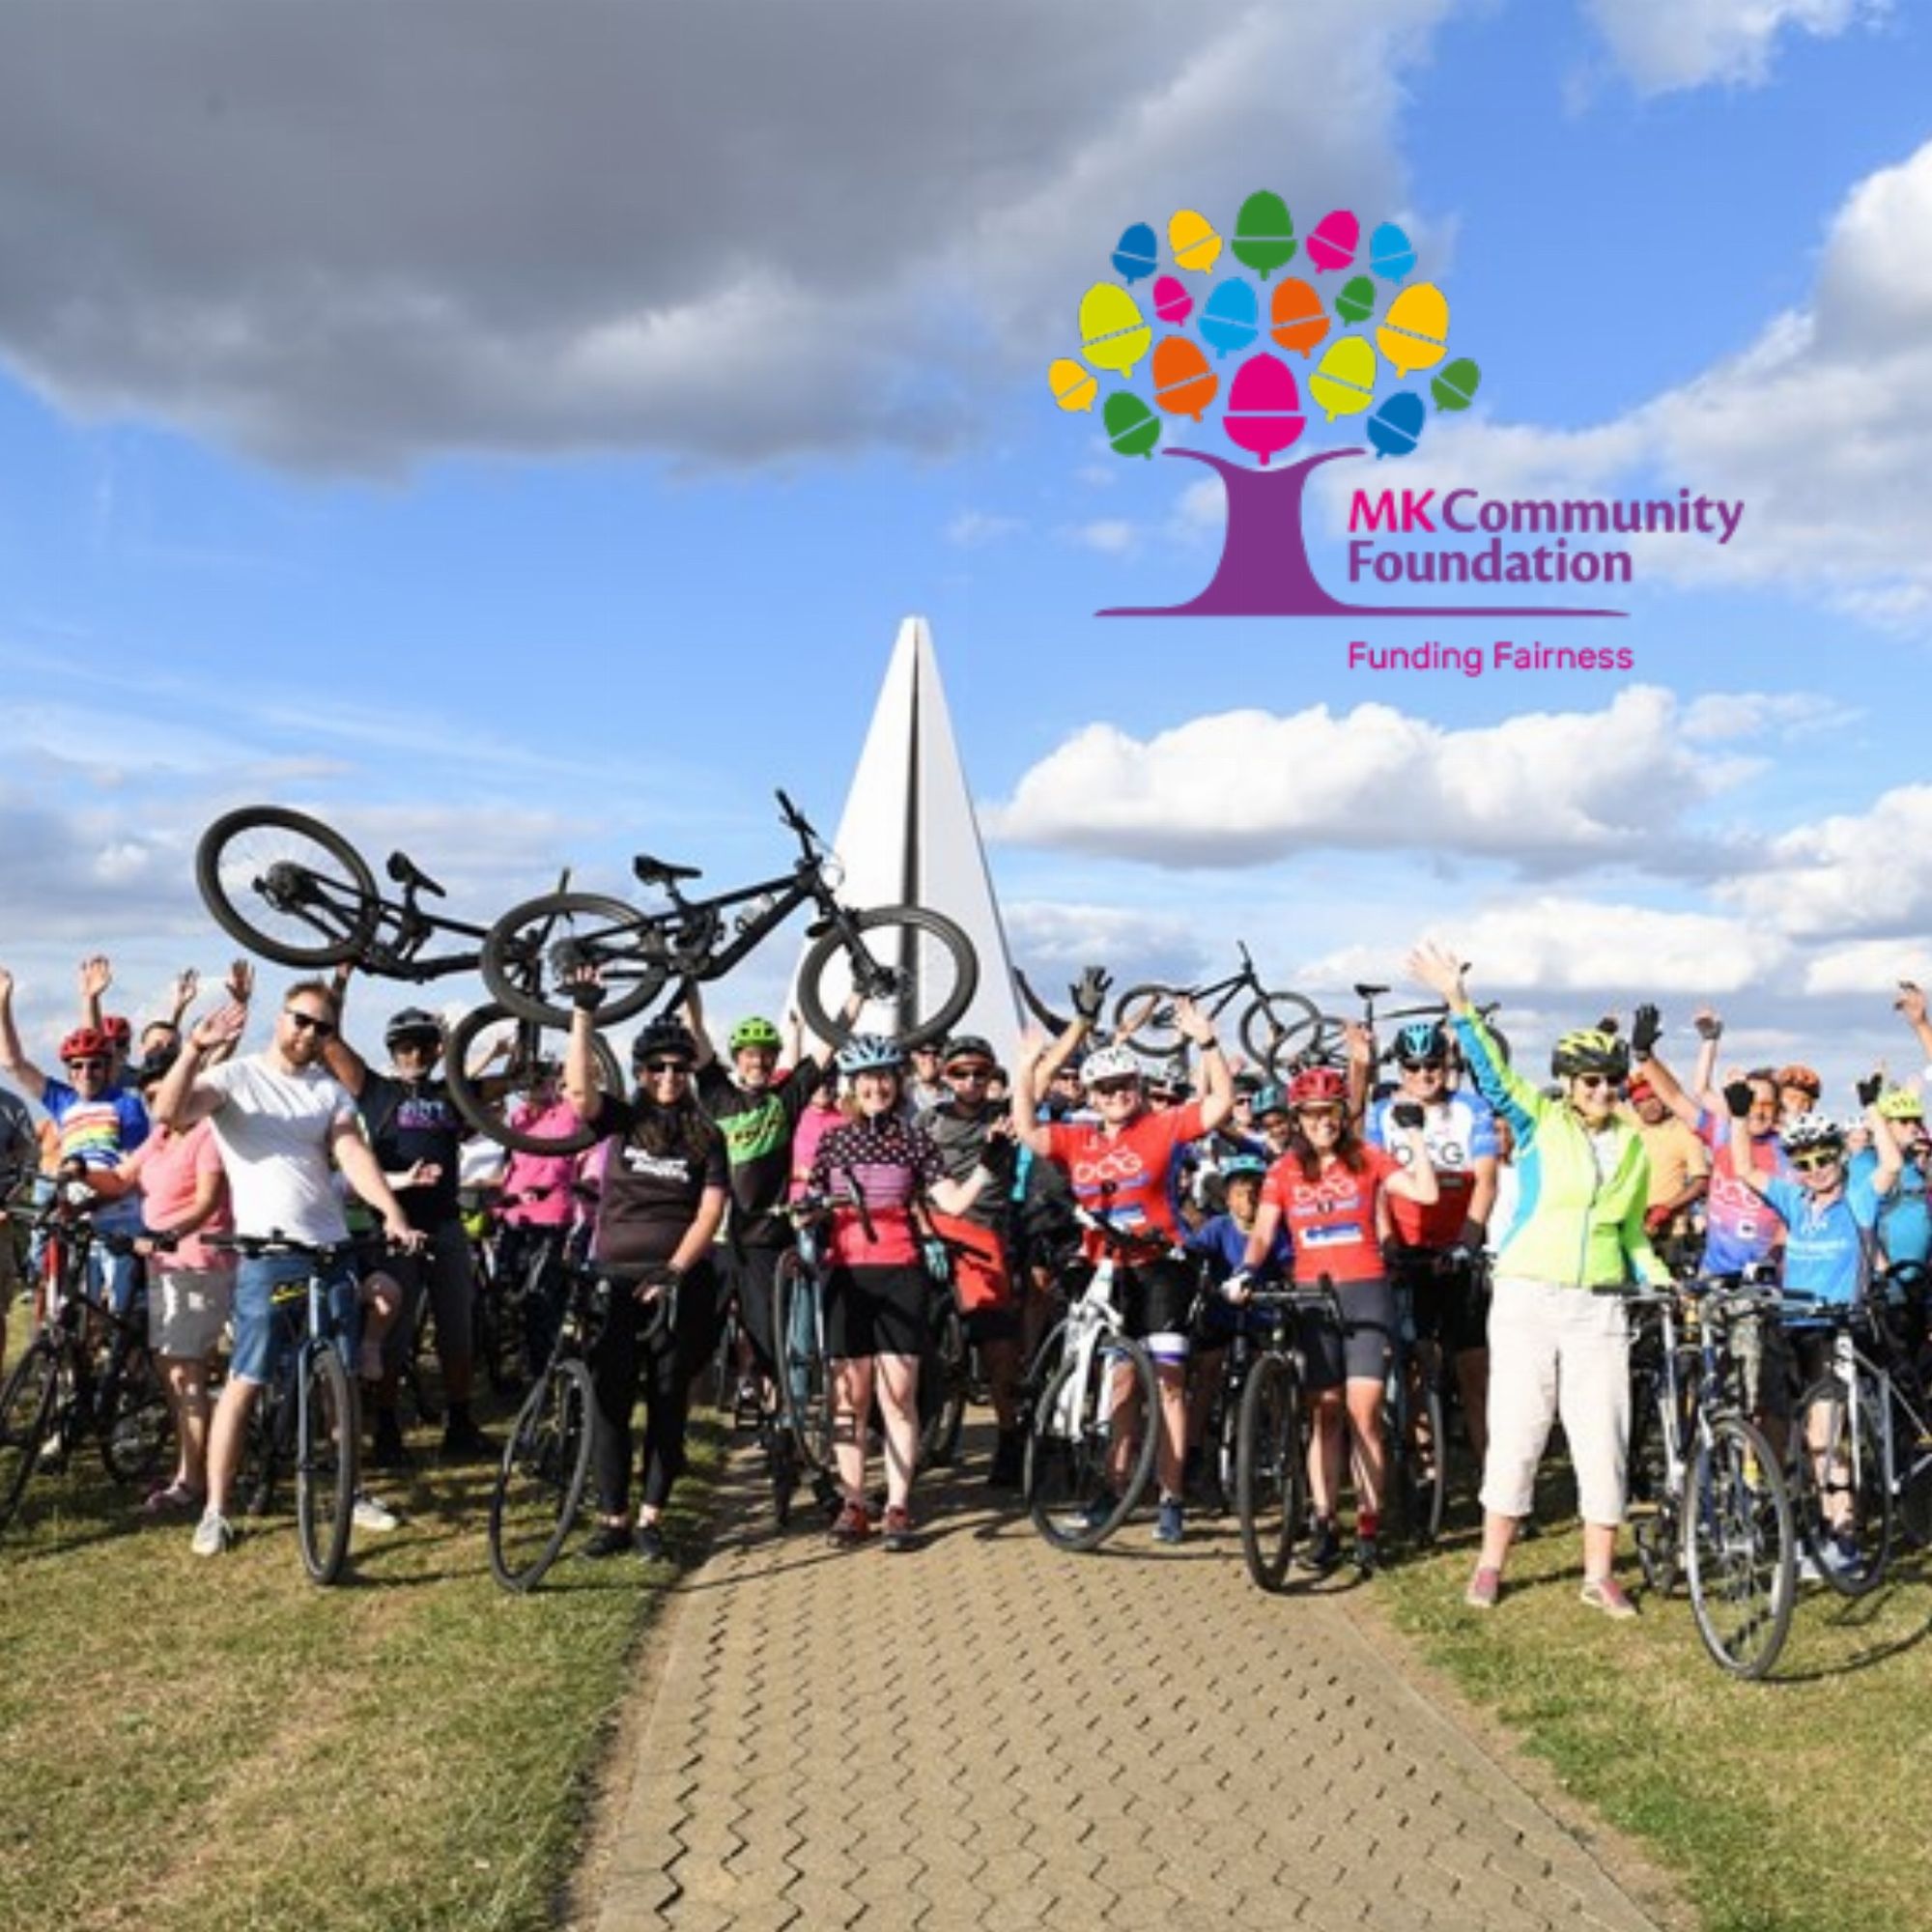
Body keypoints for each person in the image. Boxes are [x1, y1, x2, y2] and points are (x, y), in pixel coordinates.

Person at [1410, 943, 1666, 1620]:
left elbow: (1633, 1230)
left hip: (1599, 1304)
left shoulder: (1634, 1145)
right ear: (1568, 1084)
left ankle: (1599, 1573)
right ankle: (1492, 1562)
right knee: (1519, 1430)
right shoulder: (1539, 1120)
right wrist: (1458, 1004)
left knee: (1600, 1434)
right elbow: (1494, 1078)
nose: (1604, 1093)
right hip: (1528, 1295)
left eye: (1612, 1082)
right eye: (1590, 1083)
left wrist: (1658, 1276)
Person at [147, 980, 424, 1556]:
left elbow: (352, 1154)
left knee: (340, 1379)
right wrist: (194, 1049)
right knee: (246, 1379)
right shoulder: (237, 1078)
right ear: (281, 1018)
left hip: (329, 1247)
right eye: (301, 1020)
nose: (308, 1034)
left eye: (322, 1028)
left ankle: (352, 1491)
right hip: (266, 1255)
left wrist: (392, 1212)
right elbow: (168, 1111)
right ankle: (217, 1509)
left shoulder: (328, 1090)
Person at [1012, 997, 1233, 1546]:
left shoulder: (1160, 1126)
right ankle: (1113, 1489)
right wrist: (1025, 1070)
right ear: (1091, 1098)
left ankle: (1171, 1495)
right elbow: (1027, 1129)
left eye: (1125, 1085)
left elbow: (1221, 1106)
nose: (1117, 1096)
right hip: (1105, 1270)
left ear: (1137, 1086)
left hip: (1161, 1267)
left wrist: (1207, 1043)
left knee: (1169, 1385)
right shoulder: (1078, 1138)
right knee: (1119, 1385)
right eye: (1106, 1090)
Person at [1237, 1064, 1437, 1573]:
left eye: (1330, 1113)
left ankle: (1370, 1522)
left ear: (1343, 1115)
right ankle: (1324, 1522)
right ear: (1298, 1119)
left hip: (1367, 1291)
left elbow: (1425, 1193)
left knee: (1363, 1412)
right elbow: (1263, 1232)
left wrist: (1414, 1134)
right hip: (1312, 1296)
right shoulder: (1283, 1170)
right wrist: (1246, 1270)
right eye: (1311, 1115)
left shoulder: (1367, 1157)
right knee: (1323, 1413)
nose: (1322, 1122)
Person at [807, 1034, 1002, 1551]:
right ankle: (853, 1502)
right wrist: (815, 1207)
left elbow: (954, 1204)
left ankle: (896, 1504)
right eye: (867, 1080)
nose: (876, 1087)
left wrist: (988, 1163)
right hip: (846, 1275)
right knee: (851, 1399)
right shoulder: (834, 1140)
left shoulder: (915, 1140)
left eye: (885, 1079)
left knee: (897, 1395)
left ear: (898, 1083)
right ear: (853, 1086)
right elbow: (809, 1204)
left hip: (900, 1271)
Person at [565, 1003, 727, 1562]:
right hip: (613, 1277)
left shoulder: (708, 1135)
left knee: (666, 1401)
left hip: (678, 1284)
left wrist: (676, 1270)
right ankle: (613, 1518)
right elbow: (580, 1094)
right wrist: (583, 1016)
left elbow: (710, 1211)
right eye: (656, 1068)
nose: (668, 1077)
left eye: (678, 1068)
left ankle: (652, 1518)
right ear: (639, 1072)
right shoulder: (622, 1120)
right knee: (610, 1402)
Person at [323, 999, 494, 1463]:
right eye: (403, 1047)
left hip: (445, 1224)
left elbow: (513, 1081)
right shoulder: (375, 1090)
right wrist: (341, 978)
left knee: (457, 1328)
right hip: (393, 1226)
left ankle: (459, 1422)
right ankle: (387, 1430)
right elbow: (329, 1039)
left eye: (421, 1047)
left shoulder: (453, 1093)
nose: (412, 1056)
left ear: (437, 1051)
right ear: (392, 1050)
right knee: (392, 1335)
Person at [93, 1048, 235, 1512]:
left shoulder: (208, 1135)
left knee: (186, 1373)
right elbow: (119, 1178)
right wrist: (78, 1177)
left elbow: (209, 1202)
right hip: (164, 1268)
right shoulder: (159, 1136)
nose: (161, 1104)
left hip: (199, 1263)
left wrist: (168, 1234)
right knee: (172, 1373)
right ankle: (191, 1465)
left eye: (166, 1094)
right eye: (152, 1095)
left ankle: (192, 1482)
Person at [1367, 1018, 1499, 1464]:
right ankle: (1422, 1468)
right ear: (1400, 1068)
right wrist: (1386, 1242)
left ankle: (1491, 1478)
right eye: (1414, 1066)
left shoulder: (1471, 1108)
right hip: (1406, 1250)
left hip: (1457, 1249)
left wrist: (1467, 1243)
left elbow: (1485, 1182)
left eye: (1434, 1065)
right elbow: (1375, 1187)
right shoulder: (1379, 1113)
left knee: (1474, 1370)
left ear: (1446, 1064)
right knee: (1416, 1366)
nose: (1425, 1075)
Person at [0, 966, 150, 1314]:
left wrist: (92, 1000)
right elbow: (13, 1062)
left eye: (95, 1066)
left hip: (117, 1215)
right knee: (66, 1305)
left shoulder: (125, 1105)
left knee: (118, 1312)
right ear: (68, 1071)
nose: (86, 1073)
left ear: (107, 1068)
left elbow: (133, 1169)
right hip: (74, 1214)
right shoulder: (62, 1100)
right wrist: (4, 1004)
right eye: (77, 1066)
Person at [922, 1034, 1025, 1486]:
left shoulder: (1005, 1119)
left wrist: (1078, 1026)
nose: (970, 1081)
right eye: (960, 1073)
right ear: (945, 1076)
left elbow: (1037, 1083)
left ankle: (1008, 1437)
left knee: (1000, 1349)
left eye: (980, 1073)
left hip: (983, 1231)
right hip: (931, 1226)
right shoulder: (926, 1122)